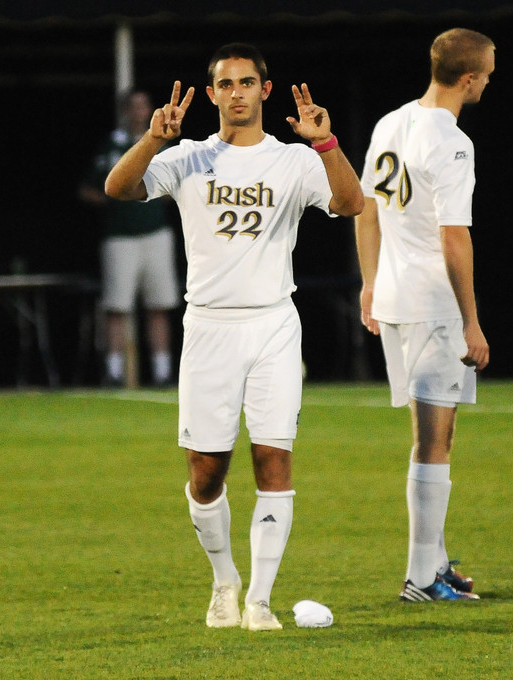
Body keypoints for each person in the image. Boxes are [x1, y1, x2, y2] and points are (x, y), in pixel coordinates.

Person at [104, 43, 363, 629]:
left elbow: (350, 204)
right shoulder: (190, 157)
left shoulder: (294, 160)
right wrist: (152, 140)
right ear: (213, 93)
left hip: (272, 323)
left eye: (248, 82)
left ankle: (260, 601)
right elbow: (118, 190)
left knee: (274, 459)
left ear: (265, 92)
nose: (238, 92)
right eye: (226, 84)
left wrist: (325, 142)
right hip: (209, 327)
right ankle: (225, 580)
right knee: (206, 471)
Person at [355, 28, 494, 602]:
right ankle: (419, 579)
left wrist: (368, 283)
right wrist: (471, 319)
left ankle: (434, 561)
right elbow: (454, 238)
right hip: (434, 305)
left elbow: (365, 207)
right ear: (468, 78)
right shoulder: (453, 141)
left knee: (433, 436)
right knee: (433, 441)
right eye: (486, 73)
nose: (488, 81)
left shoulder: (391, 121)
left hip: (394, 297)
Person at [79, 90, 180, 387]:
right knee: (117, 307)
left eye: (143, 106)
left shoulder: (164, 146)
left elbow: (183, 183)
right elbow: (87, 188)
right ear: (125, 111)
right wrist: (112, 198)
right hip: (119, 237)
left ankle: (162, 372)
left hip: (156, 234)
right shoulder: (112, 146)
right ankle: (114, 372)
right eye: (133, 107)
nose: (138, 112)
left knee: (159, 305)